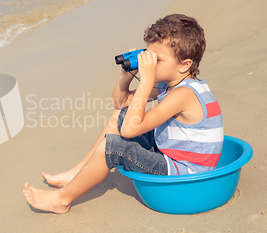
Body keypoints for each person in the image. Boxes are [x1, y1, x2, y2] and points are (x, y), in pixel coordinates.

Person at [23, 14, 223, 214]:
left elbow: (129, 130)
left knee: (112, 147)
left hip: (183, 173)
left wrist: (145, 80)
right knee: (120, 116)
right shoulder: (172, 85)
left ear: (184, 64)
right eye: (148, 56)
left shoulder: (184, 94)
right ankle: (76, 173)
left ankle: (61, 200)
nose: (150, 64)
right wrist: (127, 77)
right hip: (171, 152)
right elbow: (119, 103)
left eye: (157, 60)